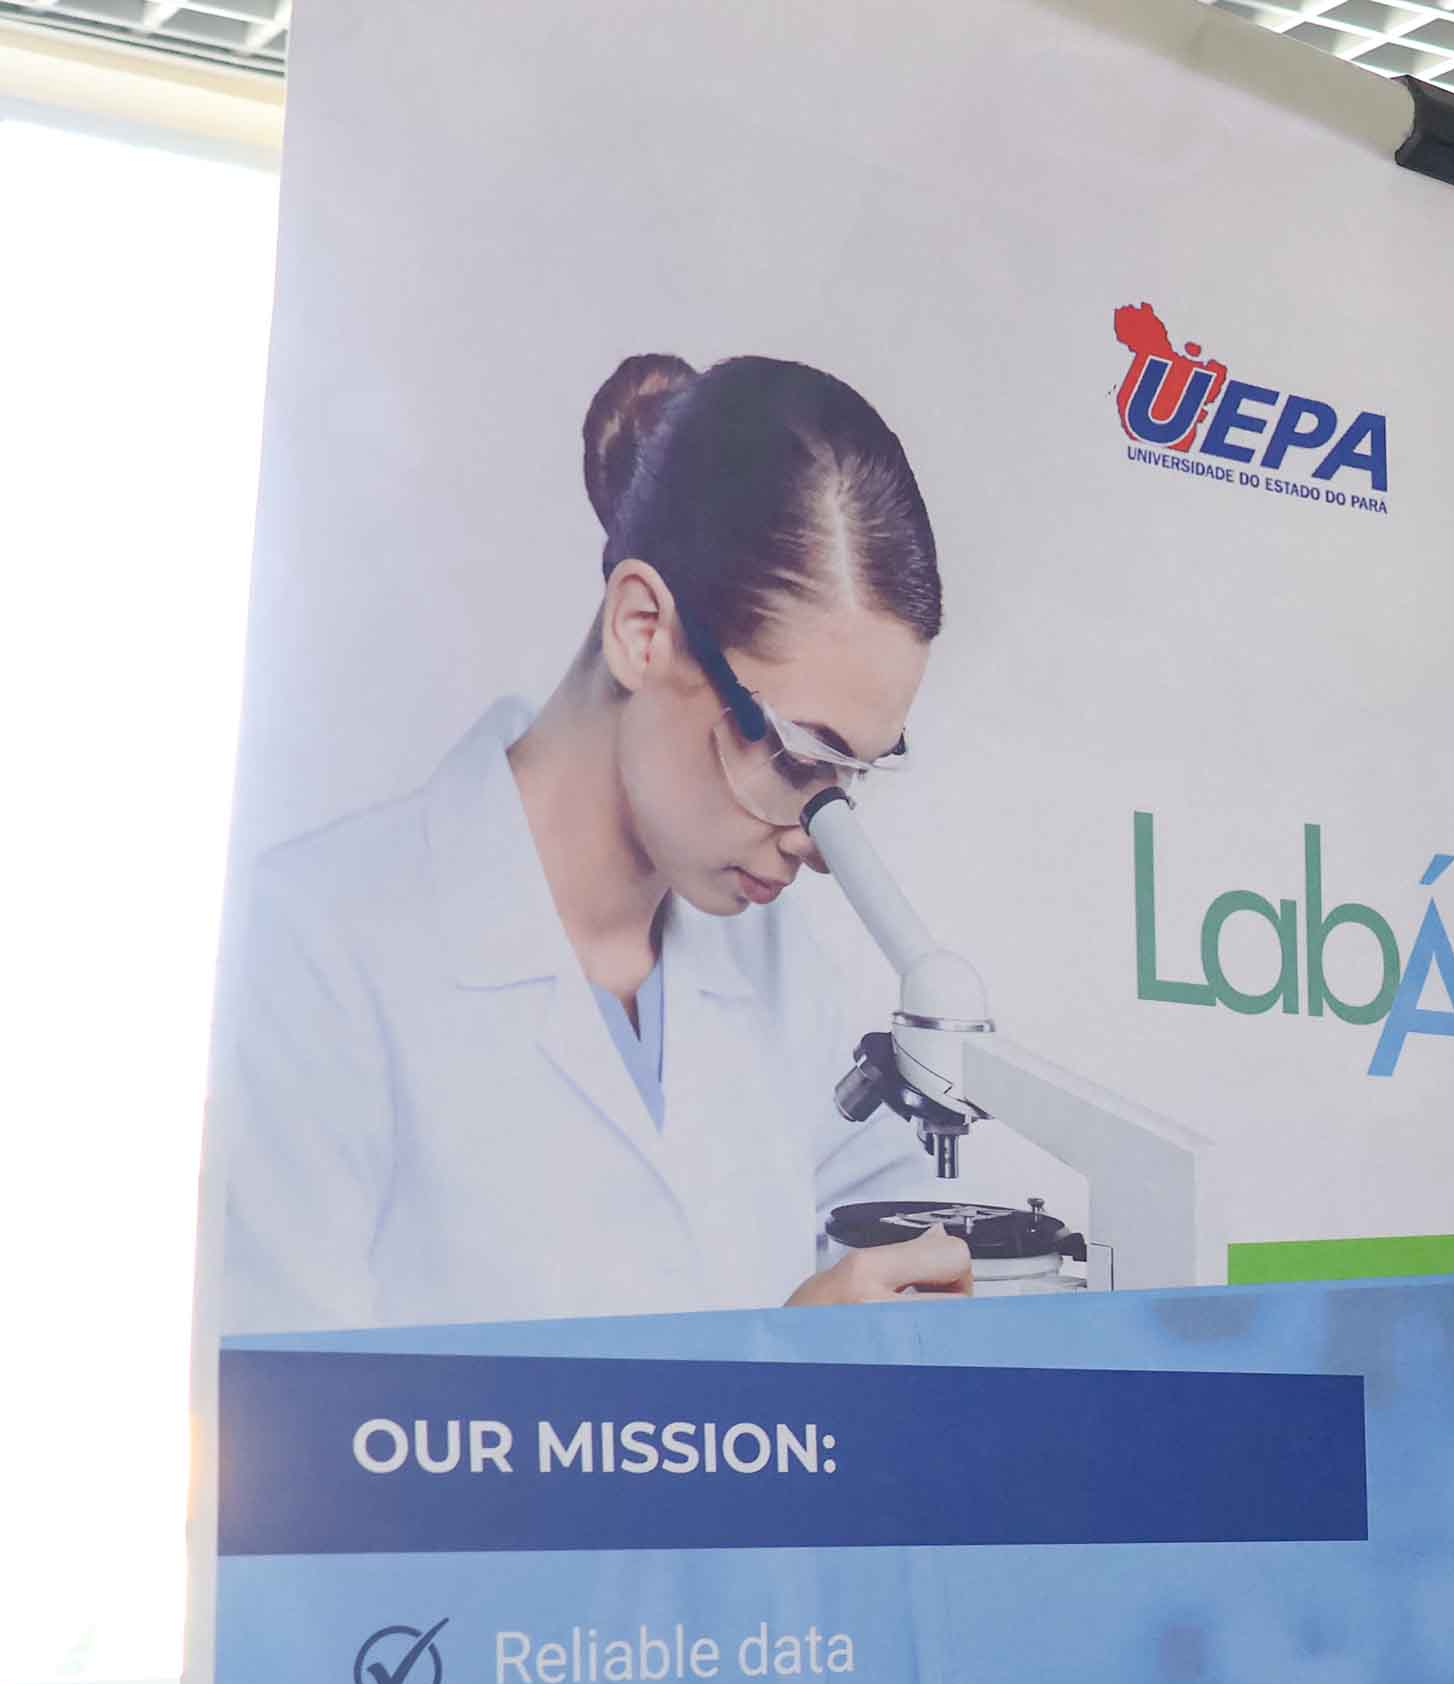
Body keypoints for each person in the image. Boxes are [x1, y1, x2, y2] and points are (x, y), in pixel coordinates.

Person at [218, 354, 972, 1331]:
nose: (819, 847)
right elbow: (288, 1411)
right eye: (796, 759)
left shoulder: (772, 965)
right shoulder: (315, 944)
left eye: (849, 781)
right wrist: (772, 1374)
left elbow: (902, 1253)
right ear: (642, 629)